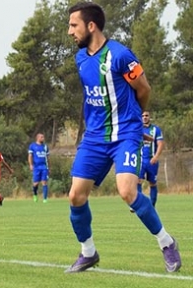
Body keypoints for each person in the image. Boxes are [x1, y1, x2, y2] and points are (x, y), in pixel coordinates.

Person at [65, 2, 180, 273]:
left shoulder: (120, 55)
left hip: (126, 134)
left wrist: (134, 117)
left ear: (90, 26)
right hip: (94, 138)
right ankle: (88, 253)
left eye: (73, 25)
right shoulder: (81, 59)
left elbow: (144, 88)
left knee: (127, 191)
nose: (70, 32)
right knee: (75, 197)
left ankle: (166, 242)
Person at [139, 111, 164, 207]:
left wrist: (156, 156)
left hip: (151, 161)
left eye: (146, 115)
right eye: (142, 116)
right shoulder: (137, 129)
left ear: (149, 117)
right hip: (140, 160)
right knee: (138, 181)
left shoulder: (155, 129)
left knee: (152, 183)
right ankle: (138, 204)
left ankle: (152, 206)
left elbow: (160, 144)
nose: (144, 117)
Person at [28, 133, 50, 203]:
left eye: (43, 137)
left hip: (44, 166)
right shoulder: (32, 146)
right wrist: (31, 165)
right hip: (36, 167)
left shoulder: (45, 147)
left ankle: (45, 199)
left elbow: (48, 158)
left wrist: (49, 167)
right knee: (35, 183)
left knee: (44, 182)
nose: (43, 138)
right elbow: (30, 156)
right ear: (37, 138)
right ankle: (35, 195)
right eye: (41, 137)